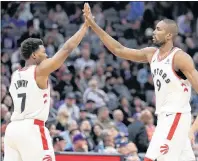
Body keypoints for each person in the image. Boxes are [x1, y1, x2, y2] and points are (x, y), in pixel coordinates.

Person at [83, 3, 198, 161]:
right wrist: (93, 25)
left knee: (151, 158)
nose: (154, 32)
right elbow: (119, 50)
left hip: (176, 116)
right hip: (164, 118)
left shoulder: (180, 58)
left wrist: (193, 129)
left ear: (169, 35)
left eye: (159, 29)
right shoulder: (151, 54)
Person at [4, 5, 89, 161]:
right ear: (35, 55)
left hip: (12, 130)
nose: (47, 54)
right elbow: (66, 49)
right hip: (32, 129)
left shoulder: (15, 75)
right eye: (43, 52)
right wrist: (84, 27)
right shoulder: (39, 70)